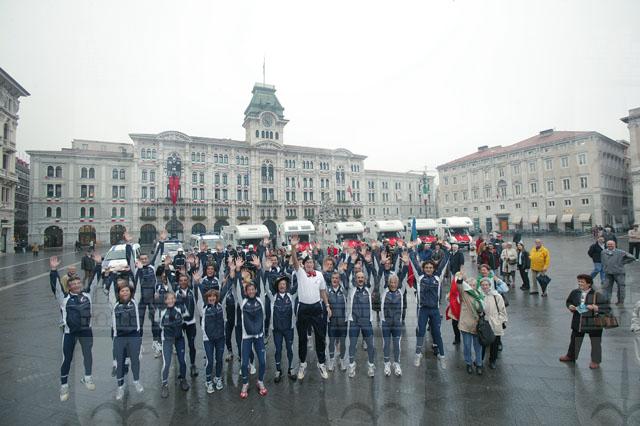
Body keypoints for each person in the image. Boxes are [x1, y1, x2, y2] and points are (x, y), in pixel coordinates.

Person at [50, 256, 99, 402]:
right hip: (69, 333)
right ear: (69, 287)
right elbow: (55, 286)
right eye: (74, 284)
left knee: (88, 354)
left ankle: (87, 377)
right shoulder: (63, 298)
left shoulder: (88, 294)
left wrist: (99, 264)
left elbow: (95, 281)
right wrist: (53, 270)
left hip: (86, 331)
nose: (77, 285)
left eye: (79, 283)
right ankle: (64, 385)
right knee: (67, 358)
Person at [290, 235, 332, 381]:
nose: (309, 264)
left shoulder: (319, 275)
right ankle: (302, 364)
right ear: (304, 264)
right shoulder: (300, 272)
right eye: (307, 262)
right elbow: (295, 261)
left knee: (320, 337)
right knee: (302, 338)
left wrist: (327, 305)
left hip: (316, 308)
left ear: (313, 264)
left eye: (311, 262)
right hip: (303, 309)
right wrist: (293, 247)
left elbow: (323, 291)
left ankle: (321, 363)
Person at [559, 274, 610, 369]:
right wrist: (570, 306)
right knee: (574, 339)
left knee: (595, 342)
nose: (580, 283)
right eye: (579, 281)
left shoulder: (597, 295)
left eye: (582, 282)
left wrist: (595, 307)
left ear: (589, 284)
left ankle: (595, 361)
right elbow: (569, 301)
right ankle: (571, 356)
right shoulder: (575, 292)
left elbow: (606, 308)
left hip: (593, 322)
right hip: (578, 321)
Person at [409, 244, 446, 369]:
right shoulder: (420, 277)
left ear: (433, 269)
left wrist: (446, 249)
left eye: (431, 267)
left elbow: (444, 262)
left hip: (435, 310)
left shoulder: (438, 277)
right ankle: (418, 354)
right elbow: (413, 262)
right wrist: (411, 250)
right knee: (421, 332)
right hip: (423, 309)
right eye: (426, 267)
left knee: (437, 333)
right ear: (423, 269)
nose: (429, 269)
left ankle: (442, 356)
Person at [112, 281, 144, 400]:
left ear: (131, 292)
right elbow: (110, 289)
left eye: (127, 290)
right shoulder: (114, 305)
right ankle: (120, 386)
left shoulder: (135, 302)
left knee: (135, 360)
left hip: (134, 335)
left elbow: (137, 282)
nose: (125, 292)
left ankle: (136, 381)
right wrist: (109, 275)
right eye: (122, 291)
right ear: (118, 293)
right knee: (120, 362)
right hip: (119, 337)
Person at [237, 281, 268, 399]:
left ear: (256, 290)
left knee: (263, 362)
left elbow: (261, 282)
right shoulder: (243, 302)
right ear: (246, 292)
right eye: (248, 289)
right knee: (244, 364)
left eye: (252, 289)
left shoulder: (260, 300)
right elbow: (237, 288)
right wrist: (237, 273)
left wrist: (260, 271)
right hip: (247, 337)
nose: (251, 291)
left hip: (259, 336)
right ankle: (245, 383)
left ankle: (260, 381)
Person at [379, 257, 408, 377]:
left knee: (397, 344)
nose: (393, 284)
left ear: (397, 283)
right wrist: (381, 264)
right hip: (386, 323)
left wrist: (406, 264)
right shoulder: (384, 290)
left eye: (395, 282)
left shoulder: (401, 290)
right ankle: (387, 364)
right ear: (388, 282)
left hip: (397, 323)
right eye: (391, 282)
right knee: (386, 344)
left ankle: (397, 363)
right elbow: (380, 275)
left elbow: (404, 276)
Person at [346, 270, 376, 378]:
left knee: (371, 345)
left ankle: (371, 365)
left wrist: (370, 264)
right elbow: (346, 276)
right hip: (354, 322)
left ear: (365, 279)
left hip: (366, 322)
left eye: (362, 277)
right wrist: (350, 263)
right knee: (352, 345)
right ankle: (351, 365)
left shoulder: (369, 289)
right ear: (355, 279)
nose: (360, 279)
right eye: (358, 277)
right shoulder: (351, 289)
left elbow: (375, 273)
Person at [200, 286, 230, 394]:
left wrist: (231, 278)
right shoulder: (203, 308)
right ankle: (208, 381)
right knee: (210, 361)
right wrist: (197, 283)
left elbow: (225, 291)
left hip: (220, 338)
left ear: (217, 297)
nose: (212, 298)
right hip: (208, 339)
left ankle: (218, 377)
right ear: (207, 298)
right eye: (210, 297)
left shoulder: (221, 306)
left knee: (219, 359)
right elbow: (198, 294)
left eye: (214, 296)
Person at [160, 292, 189, 398]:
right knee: (167, 363)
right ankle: (164, 384)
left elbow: (187, 316)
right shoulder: (162, 312)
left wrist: (184, 301)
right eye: (168, 299)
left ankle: (183, 379)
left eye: (173, 298)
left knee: (182, 361)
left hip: (179, 339)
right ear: (165, 301)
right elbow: (159, 325)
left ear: (175, 299)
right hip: (167, 340)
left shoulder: (179, 309)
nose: (171, 300)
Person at [270, 274, 298, 383]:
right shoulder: (273, 297)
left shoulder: (291, 296)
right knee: (278, 350)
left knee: (290, 349)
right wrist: (266, 271)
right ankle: (278, 370)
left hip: (288, 329)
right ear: (277, 286)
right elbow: (266, 285)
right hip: (277, 330)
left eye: (284, 284)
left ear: (287, 286)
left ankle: (291, 369)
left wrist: (302, 271)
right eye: (280, 284)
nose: (282, 286)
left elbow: (299, 284)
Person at [457, 273, 485, 375]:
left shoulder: (479, 294)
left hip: (477, 325)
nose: (472, 287)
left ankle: (479, 364)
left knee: (478, 346)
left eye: (474, 285)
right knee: (467, 345)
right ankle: (468, 363)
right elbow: (459, 285)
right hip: (466, 324)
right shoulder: (464, 294)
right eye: (470, 285)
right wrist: (460, 278)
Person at [479, 277, 508, 370]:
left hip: (495, 323)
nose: (485, 287)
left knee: (495, 343)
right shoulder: (479, 296)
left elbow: (502, 310)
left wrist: (499, 320)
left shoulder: (497, 296)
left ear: (490, 285)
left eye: (486, 285)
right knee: (483, 342)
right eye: (483, 285)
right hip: (485, 323)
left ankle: (492, 360)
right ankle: (480, 360)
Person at [601, 240, 636, 305]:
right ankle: (606, 300)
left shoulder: (621, 252)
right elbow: (603, 260)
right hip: (608, 273)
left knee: (621, 287)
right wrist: (605, 267)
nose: (610, 245)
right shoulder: (603, 252)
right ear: (606, 245)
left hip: (619, 273)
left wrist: (622, 262)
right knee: (606, 287)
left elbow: (632, 257)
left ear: (615, 245)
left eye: (611, 244)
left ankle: (620, 301)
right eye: (608, 244)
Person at [326, 268, 348, 372]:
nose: (335, 280)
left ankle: (342, 360)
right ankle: (331, 360)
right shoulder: (327, 291)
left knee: (342, 342)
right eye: (333, 278)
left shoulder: (344, 291)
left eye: (337, 278)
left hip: (343, 321)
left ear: (339, 280)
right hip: (332, 322)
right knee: (331, 341)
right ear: (331, 279)